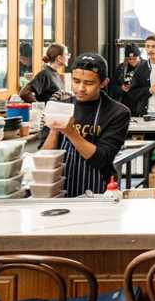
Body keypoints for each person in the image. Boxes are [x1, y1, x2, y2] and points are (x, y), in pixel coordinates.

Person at [41, 53, 131, 198]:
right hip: (59, 190)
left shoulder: (118, 113)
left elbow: (102, 159)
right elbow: (44, 157)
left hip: (100, 191)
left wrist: (71, 132)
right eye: (76, 81)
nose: (81, 88)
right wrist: (54, 129)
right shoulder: (61, 106)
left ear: (103, 83)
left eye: (89, 83)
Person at [108, 43, 141, 111]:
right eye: (129, 59)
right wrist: (121, 88)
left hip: (140, 104)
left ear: (139, 56)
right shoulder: (121, 68)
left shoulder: (146, 67)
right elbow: (112, 86)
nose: (131, 61)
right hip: (124, 104)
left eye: (134, 59)